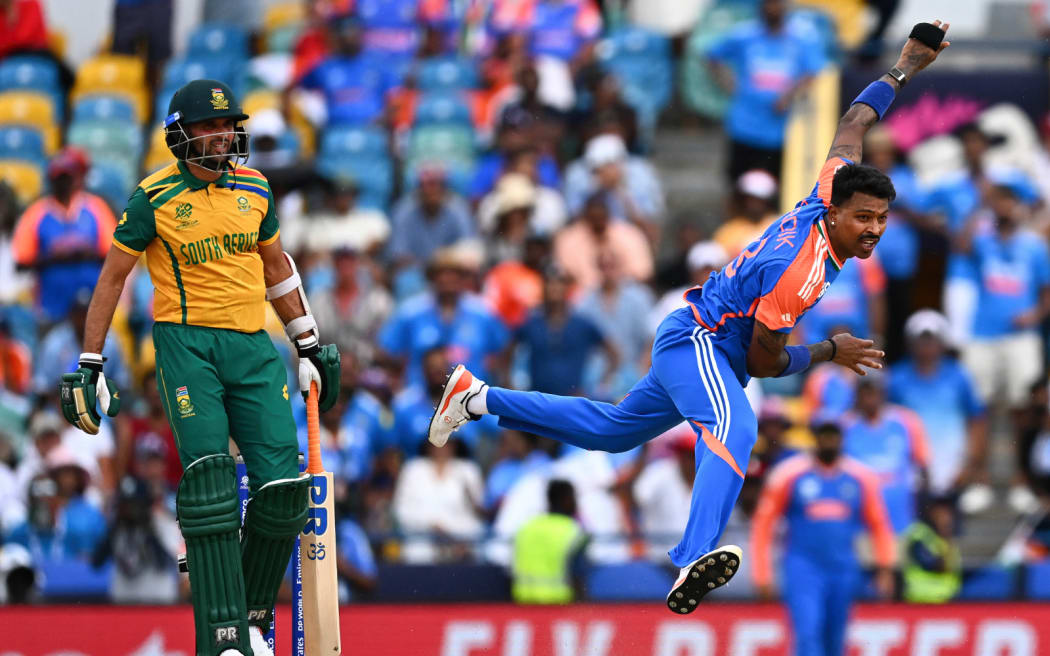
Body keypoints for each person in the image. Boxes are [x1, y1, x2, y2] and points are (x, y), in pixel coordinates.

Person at [428, 23, 950, 612]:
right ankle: (691, 557)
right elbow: (764, 363)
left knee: (611, 431)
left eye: (881, 218)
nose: (874, 230)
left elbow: (854, 122)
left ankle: (477, 398)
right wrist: (828, 351)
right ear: (836, 214)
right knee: (735, 426)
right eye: (864, 219)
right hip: (703, 342)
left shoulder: (828, 189)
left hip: (699, 343)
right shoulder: (799, 273)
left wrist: (904, 67)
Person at [56, 79, 340, 656]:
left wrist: (308, 343)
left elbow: (276, 268)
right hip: (187, 345)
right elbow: (112, 279)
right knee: (210, 480)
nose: (223, 135)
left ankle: (251, 622)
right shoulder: (153, 197)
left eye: (228, 125)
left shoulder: (256, 187)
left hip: (253, 347)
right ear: (180, 135)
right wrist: (91, 361)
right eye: (210, 126)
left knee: (284, 489)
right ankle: (222, 637)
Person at [751, 415, 896, 656]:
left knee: (835, 640)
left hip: (843, 567)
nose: (829, 440)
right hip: (803, 567)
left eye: (833, 435)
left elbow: (879, 524)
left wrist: (885, 568)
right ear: (815, 437)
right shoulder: (789, 474)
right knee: (808, 634)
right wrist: (763, 574)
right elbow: (764, 524)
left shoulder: (860, 477)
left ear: (842, 438)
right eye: (824, 435)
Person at [705, 0, 825, 181]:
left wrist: (789, 95)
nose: (772, 8)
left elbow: (813, 71)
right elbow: (713, 56)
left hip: (781, 129)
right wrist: (728, 84)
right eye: (769, 4)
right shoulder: (744, 35)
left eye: (777, 4)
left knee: (774, 183)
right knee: (738, 181)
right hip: (744, 124)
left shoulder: (802, 38)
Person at [888, 310, 988, 511]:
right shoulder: (896, 379)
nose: (926, 347)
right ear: (910, 343)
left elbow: (977, 420)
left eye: (931, 341)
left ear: (942, 343)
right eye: (921, 341)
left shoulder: (960, 376)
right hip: (910, 474)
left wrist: (970, 465)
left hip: (953, 471)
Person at [12, 147, 118, 324]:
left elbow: (115, 254)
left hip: (93, 306)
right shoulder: (37, 212)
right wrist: (53, 255)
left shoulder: (95, 207)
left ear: (76, 179)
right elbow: (21, 262)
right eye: (59, 179)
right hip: (50, 308)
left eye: (67, 178)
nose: (63, 184)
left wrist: (83, 250)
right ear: (51, 180)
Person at [842, 373, 930, 533]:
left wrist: (923, 511)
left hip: (901, 515)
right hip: (859, 520)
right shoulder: (845, 425)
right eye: (864, 393)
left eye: (873, 392)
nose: (869, 399)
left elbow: (923, 465)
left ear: (883, 392)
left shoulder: (906, 420)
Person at [511, 478, 587, 604]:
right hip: (559, 605)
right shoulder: (573, 530)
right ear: (566, 499)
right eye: (574, 498)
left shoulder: (526, 527)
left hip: (523, 604)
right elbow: (578, 575)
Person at [901, 494, 961, 603]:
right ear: (932, 513)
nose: (947, 517)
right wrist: (946, 536)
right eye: (942, 512)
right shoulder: (919, 534)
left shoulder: (945, 538)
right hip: (921, 600)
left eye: (948, 512)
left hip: (945, 600)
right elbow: (933, 564)